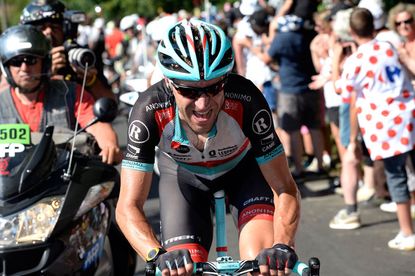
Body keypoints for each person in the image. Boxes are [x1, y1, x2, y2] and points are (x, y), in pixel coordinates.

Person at [116, 19, 301, 275]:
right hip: (184, 178)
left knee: (262, 265)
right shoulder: (149, 110)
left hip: (243, 173)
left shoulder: (246, 99)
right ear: (169, 83)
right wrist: (155, 254)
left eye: (214, 88)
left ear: (225, 79)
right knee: (182, 269)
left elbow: (284, 187)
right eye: (189, 92)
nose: (203, 104)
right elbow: (128, 206)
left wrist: (282, 246)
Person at [334, 7, 415, 250]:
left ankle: (407, 232)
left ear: (351, 31)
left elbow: (343, 91)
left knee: (396, 176)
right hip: (407, 113)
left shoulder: (355, 61)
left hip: (385, 124)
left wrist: (335, 59)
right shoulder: (388, 46)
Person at [0, 25, 121, 165]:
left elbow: (96, 123)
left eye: (31, 60)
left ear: (44, 62)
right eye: (16, 62)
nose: (24, 68)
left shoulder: (70, 92)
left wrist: (109, 145)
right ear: (6, 67)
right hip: (11, 184)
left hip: (63, 180)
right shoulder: (2, 102)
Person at [19, 0, 115, 101]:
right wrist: (47, 74)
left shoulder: (80, 56)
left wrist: (90, 81)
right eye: (41, 28)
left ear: (66, 29)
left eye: (55, 27)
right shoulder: (21, 62)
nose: (49, 31)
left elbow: (111, 103)